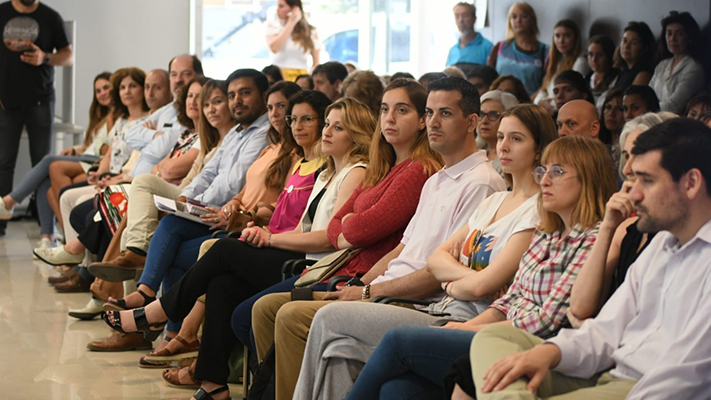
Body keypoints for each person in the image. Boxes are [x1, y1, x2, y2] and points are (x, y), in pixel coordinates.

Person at [104, 95, 378, 400]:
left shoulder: (356, 171)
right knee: (222, 283)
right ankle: (213, 385)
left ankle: (161, 310)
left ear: (357, 134)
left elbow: (328, 238)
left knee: (221, 251)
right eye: (326, 124)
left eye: (337, 127)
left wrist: (271, 238)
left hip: (316, 266)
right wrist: (262, 230)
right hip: (301, 256)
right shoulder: (329, 172)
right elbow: (303, 227)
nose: (326, 132)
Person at [253, 78, 510, 400]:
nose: (432, 122)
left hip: (421, 303)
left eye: (444, 113)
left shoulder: (481, 183)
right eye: (430, 112)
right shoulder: (438, 180)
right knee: (331, 345)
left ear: (472, 121)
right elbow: (403, 249)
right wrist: (359, 285)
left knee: (299, 317)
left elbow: (437, 275)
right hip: (387, 290)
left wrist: (368, 292)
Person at [341, 135, 616, 400]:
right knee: (398, 389)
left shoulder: (592, 239)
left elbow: (549, 319)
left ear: (588, 178)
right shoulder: (549, 232)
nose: (544, 180)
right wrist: (466, 326)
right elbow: (509, 300)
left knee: (397, 342)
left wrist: (470, 329)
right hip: (494, 328)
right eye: (543, 170)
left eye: (557, 172)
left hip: (529, 344)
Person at [474, 118, 711, 400]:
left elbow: (685, 378)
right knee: (493, 339)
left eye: (646, 180)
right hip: (608, 374)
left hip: (644, 389)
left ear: (691, 183)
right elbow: (604, 331)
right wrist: (550, 353)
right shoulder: (662, 243)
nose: (632, 193)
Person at [568, 112, 677, 328]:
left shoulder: (677, 231)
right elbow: (579, 306)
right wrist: (608, 227)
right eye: (626, 156)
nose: (627, 169)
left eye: (638, 156)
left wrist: (598, 330)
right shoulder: (626, 227)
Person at [0, 72, 111, 244]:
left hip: (97, 161)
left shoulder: (119, 118)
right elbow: (93, 144)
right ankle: (47, 236)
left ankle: (9, 201)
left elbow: (110, 148)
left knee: (49, 161)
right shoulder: (100, 117)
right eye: (98, 91)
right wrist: (75, 149)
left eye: (106, 88)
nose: (102, 93)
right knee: (46, 180)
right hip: (88, 156)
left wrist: (103, 149)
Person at [0, 0, 73, 236]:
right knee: (3, 163)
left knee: (42, 164)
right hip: (5, 103)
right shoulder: (2, 13)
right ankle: (0, 221)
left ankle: (45, 227)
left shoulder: (50, 17)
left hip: (40, 101)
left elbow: (68, 56)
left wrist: (45, 58)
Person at [124, 54, 203, 151]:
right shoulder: (167, 110)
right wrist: (155, 135)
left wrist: (152, 140)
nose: (178, 79)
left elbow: (178, 148)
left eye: (186, 74)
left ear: (200, 76)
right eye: (174, 74)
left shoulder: (201, 110)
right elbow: (130, 134)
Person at [649, 11, 705, 114]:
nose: (672, 39)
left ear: (689, 37)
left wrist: (647, 108)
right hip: (653, 118)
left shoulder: (694, 68)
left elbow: (673, 106)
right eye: (669, 33)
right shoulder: (662, 65)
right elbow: (646, 96)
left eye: (679, 34)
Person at [487, 2, 548, 95]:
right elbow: (488, 76)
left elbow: (547, 82)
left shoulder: (545, 51)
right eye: (514, 17)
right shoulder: (499, 47)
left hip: (530, 103)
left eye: (524, 16)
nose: (518, 21)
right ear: (509, 21)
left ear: (532, 20)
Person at [534, 19, 589, 114]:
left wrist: (546, 104)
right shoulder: (556, 62)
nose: (561, 41)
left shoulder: (580, 62)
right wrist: (539, 102)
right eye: (557, 36)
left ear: (575, 38)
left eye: (567, 36)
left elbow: (571, 96)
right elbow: (543, 91)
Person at [266, 0, 320, 81]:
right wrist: (291, 23)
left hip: (301, 78)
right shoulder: (273, 28)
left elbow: (316, 62)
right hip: (278, 76)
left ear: (294, 8)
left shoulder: (310, 31)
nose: (277, 9)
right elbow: (275, 48)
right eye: (277, 6)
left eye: (281, 6)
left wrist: (308, 78)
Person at [476, 90, 519, 175]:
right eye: (480, 114)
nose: (484, 121)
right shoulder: (474, 154)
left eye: (493, 115)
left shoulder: (511, 158)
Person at [612, 21, 656, 91]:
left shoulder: (644, 74)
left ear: (645, 48)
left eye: (634, 43)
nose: (626, 46)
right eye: (624, 41)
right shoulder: (624, 70)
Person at [445, 2, 493, 67]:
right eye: (457, 16)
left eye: (465, 15)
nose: (460, 20)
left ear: (474, 18)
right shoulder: (453, 50)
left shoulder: (488, 47)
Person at [586, 35, 618, 110]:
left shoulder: (616, 80)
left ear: (609, 56)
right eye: (590, 54)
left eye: (599, 55)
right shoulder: (587, 79)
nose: (594, 59)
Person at [599, 89, 624, 162]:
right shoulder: (596, 144)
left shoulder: (627, 147)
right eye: (608, 107)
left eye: (620, 109)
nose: (611, 113)